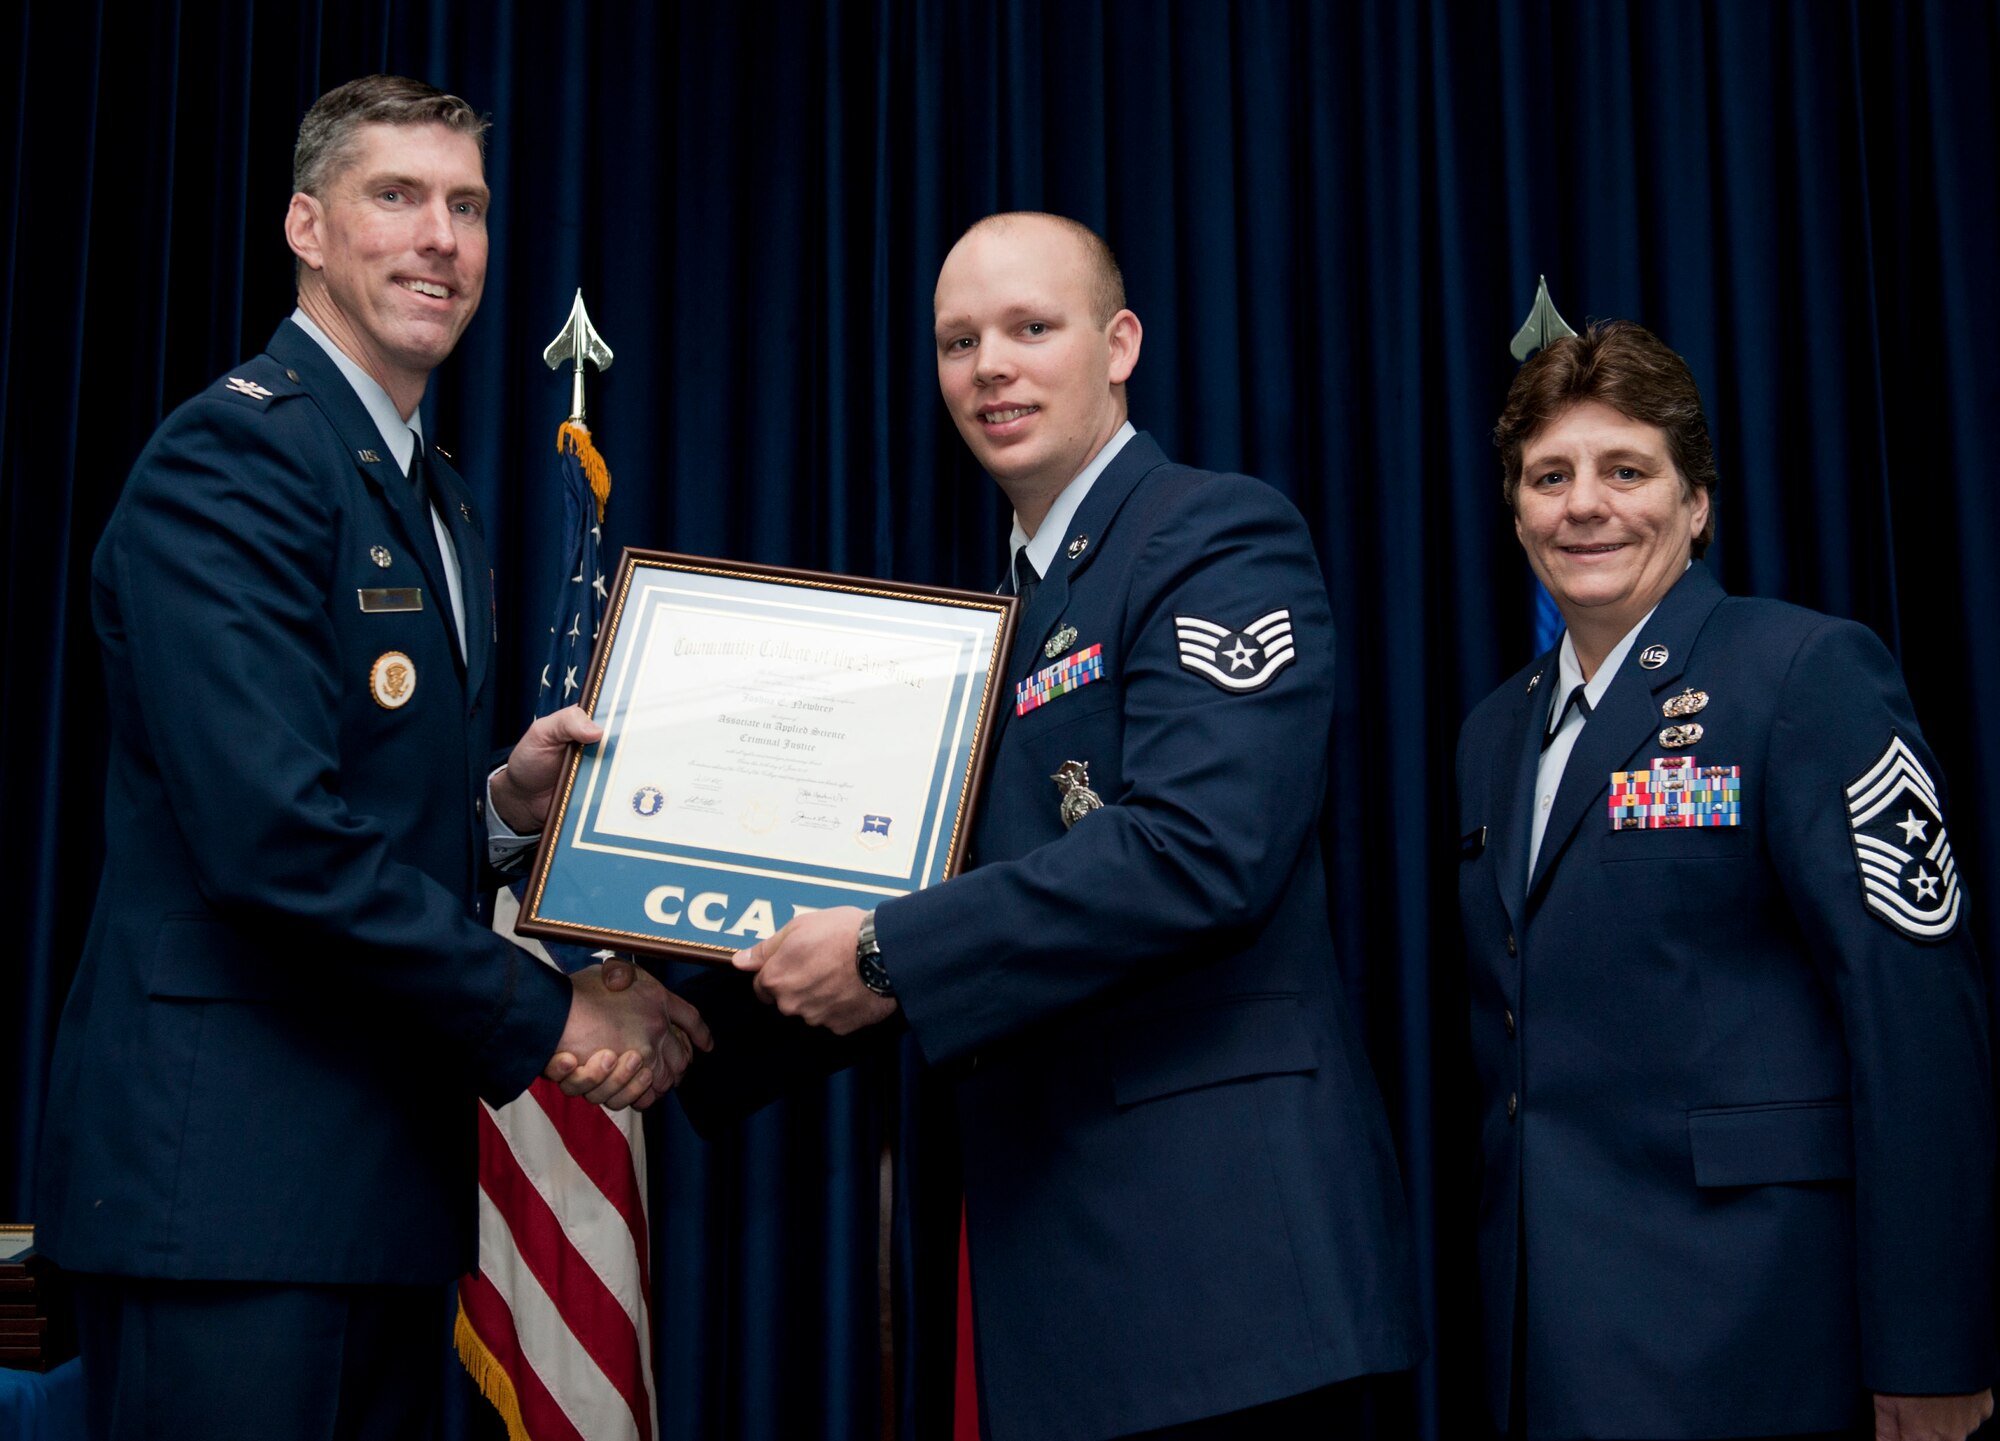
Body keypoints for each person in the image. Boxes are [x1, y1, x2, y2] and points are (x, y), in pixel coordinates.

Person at [34, 75, 708, 1439]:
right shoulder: (231, 460)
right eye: (395, 198)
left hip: (378, 1193)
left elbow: (367, 809)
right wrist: (554, 1018)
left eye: (466, 205)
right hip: (229, 1201)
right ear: (305, 225)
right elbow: (276, 842)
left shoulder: (430, 492)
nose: (440, 239)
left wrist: (506, 813)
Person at [678, 211, 1423, 1440]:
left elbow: (1198, 852)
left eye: (1031, 328)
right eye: (958, 340)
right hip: (1059, 1281)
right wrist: (682, 1025)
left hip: (1226, 1295)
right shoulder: (989, 623)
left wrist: (877, 953)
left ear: (1119, 342)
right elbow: (928, 892)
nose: (990, 368)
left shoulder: (1209, 535)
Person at [1455, 320, 1994, 1440]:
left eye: (1625, 470)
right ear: (1514, 512)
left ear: (1696, 502)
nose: (1583, 504)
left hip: (1754, 1327)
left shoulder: (1801, 672)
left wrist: (1931, 1345)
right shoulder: (1488, 736)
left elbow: (1913, 1022)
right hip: (1545, 1338)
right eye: (1548, 476)